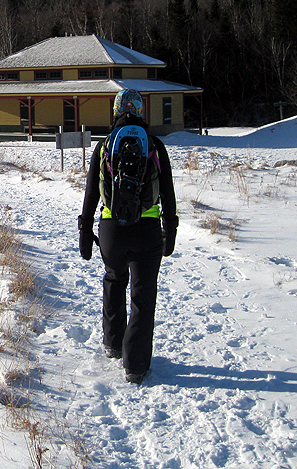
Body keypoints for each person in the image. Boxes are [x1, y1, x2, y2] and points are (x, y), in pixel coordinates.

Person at [78, 89, 177, 384]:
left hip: (111, 231)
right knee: (143, 295)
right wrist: (169, 230)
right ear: (141, 111)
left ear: (116, 110)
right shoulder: (155, 146)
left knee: (114, 279)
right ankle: (135, 364)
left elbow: (91, 193)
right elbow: (169, 194)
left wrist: (85, 230)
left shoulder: (105, 146)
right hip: (147, 231)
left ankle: (112, 342)